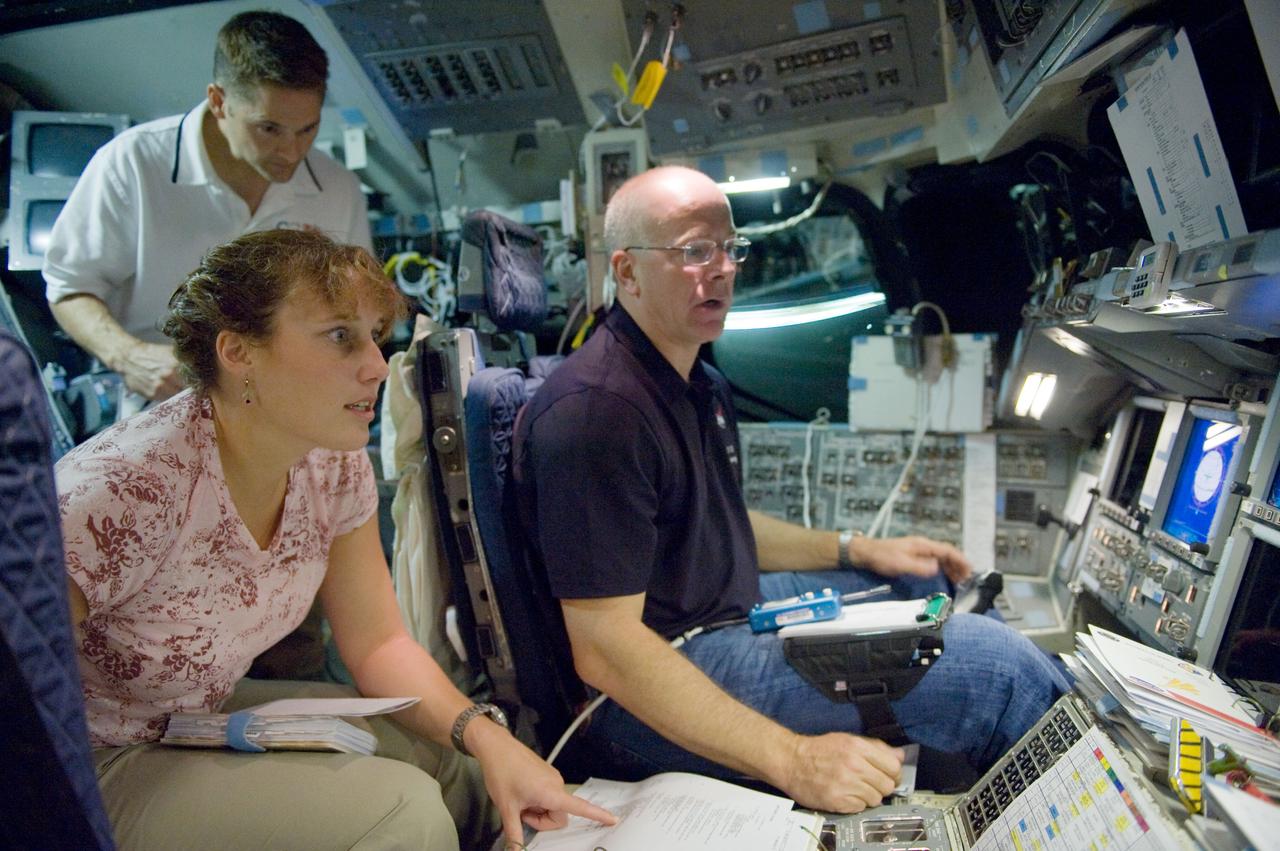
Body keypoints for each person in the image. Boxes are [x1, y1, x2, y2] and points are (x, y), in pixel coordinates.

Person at [513, 165, 1070, 814]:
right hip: (635, 700)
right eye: (694, 251)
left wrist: (859, 550)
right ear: (628, 271)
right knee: (997, 673)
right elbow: (606, 649)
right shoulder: (595, 413)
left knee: (926, 587)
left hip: (718, 618)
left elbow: (718, 527)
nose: (721, 268)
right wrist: (794, 758)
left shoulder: (698, 382)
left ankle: (1052, 719)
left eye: (730, 248)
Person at [56, 229, 614, 850]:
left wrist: (491, 738)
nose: (377, 365)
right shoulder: (118, 493)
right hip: (91, 760)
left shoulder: (331, 457)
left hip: (190, 713)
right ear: (239, 351)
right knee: (401, 813)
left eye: (375, 335)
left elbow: (377, 642)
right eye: (340, 335)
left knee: (456, 767)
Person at [44, 10, 372, 405]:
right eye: (268, 129)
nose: (292, 152)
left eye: (307, 130)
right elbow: (69, 289)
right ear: (219, 102)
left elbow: (358, 311)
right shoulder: (132, 162)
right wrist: (131, 357)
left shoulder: (337, 188)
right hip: (167, 402)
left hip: (291, 407)